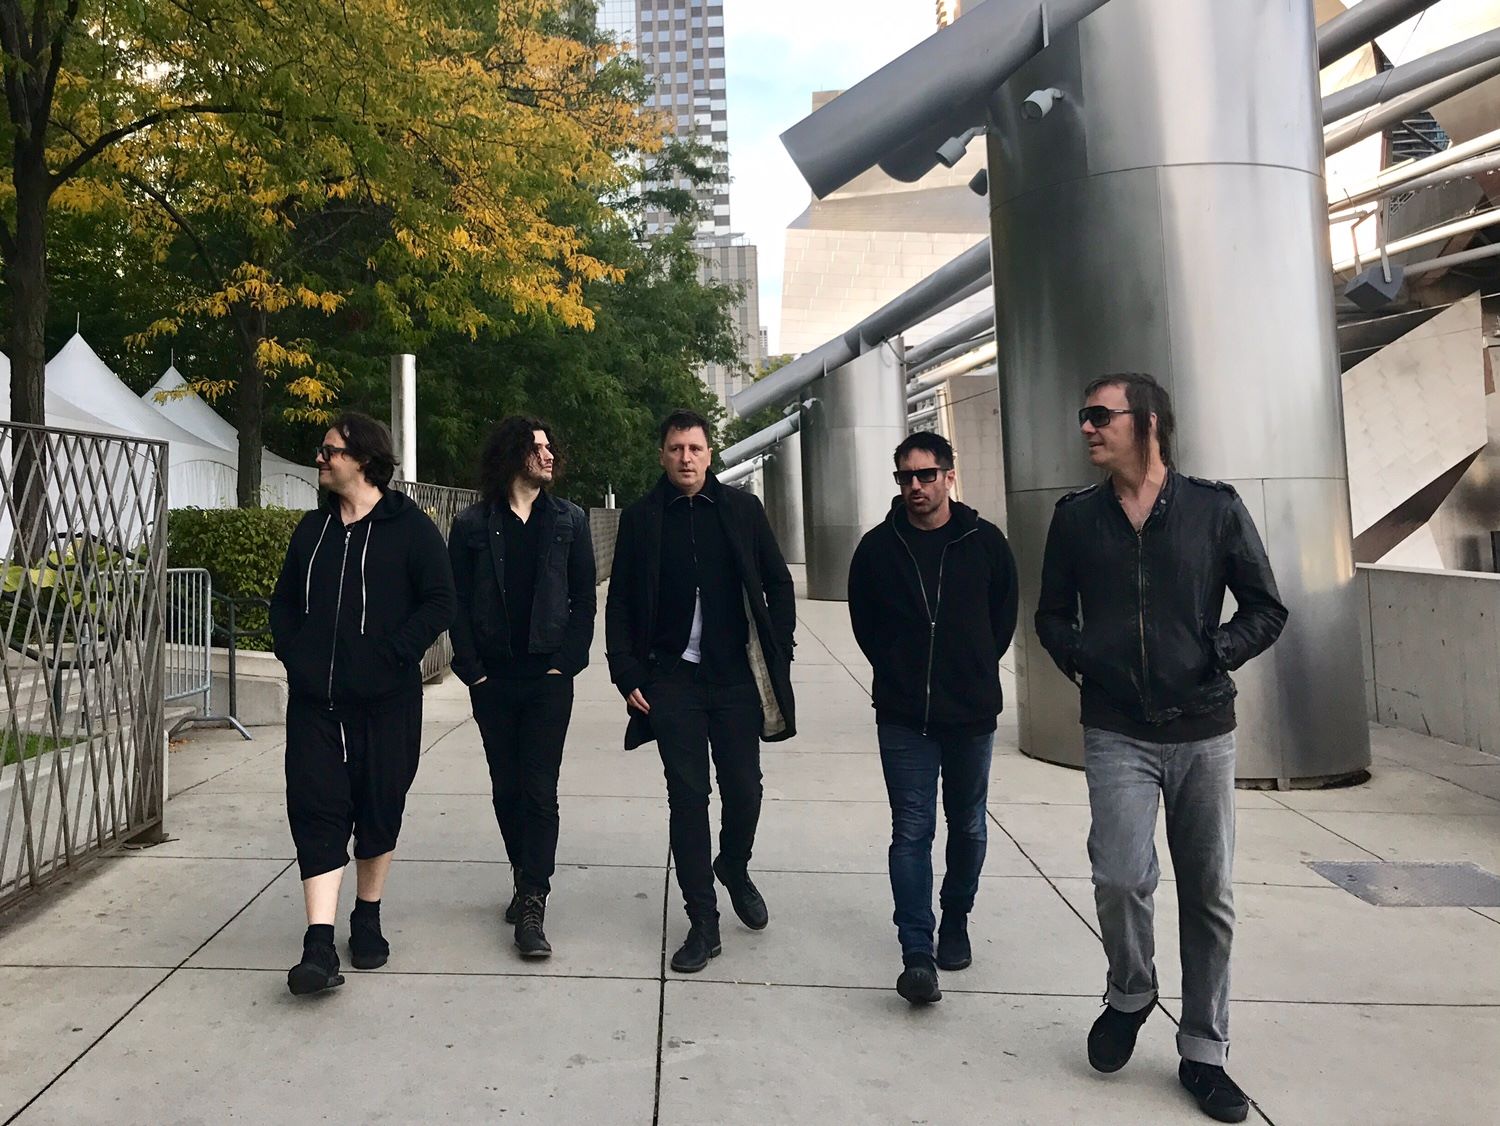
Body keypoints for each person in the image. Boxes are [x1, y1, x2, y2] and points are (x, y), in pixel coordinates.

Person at [1035, 373, 1287, 1123]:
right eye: (1084, 416)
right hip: (1116, 728)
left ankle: (1204, 1051)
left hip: (1203, 730)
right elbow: (1051, 615)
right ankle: (1132, 990)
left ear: (1146, 422)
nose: (1087, 427)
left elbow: (1267, 607)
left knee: (1208, 894)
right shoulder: (1076, 519)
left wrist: (1216, 652)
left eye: (1099, 415)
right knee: (1119, 876)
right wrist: (1085, 660)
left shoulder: (1214, 509)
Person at [270, 411, 455, 996]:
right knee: (316, 807)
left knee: (379, 803)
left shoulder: (411, 529)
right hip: (316, 702)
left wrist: (393, 655)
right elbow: (283, 604)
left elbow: (440, 600)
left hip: (385, 702)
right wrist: (295, 655)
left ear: (365, 460)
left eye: (329, 451)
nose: (319, 459)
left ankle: (367, 914)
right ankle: (318, 943)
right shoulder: (313, 530)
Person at [605, 408, 796, 973]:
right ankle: (703, 922)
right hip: (671, 682)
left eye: (694, 448)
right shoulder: (642, 518)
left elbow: (778, 582)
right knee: (687, 800)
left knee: (745, 790)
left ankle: (733, 864)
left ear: (710, 454)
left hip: (735, 678)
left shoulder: (741, 510)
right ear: (662, 456)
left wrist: (779, 650)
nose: (685, 458)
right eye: (675, 449)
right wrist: (626, 673)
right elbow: (620, 601)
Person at [847, 431, 1018, 1006]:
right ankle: (916, 952)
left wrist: (972, 667)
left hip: (971, 714)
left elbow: (1002, 618)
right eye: (905, 477)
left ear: (949, 475)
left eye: (925, 475)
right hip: (903, 716)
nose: (915, 486)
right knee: (911, 830)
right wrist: (898, 672)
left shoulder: (984, 542)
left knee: (967, 825)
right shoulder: (877, 548)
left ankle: (957, 919)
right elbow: (866, 626)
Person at [447, 417, 595, 958]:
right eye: (538, 448)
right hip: (493, 680)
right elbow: (456, 600)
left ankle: (534, 899)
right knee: (506, 788)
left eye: (550, 446)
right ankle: (522, 872)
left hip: (547, 680)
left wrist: (566, 663)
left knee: (539, 789)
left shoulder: (569, 520)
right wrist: (473, 669)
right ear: (513, 455)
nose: (549, 455)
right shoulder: (471, 524)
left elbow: (584, 598)